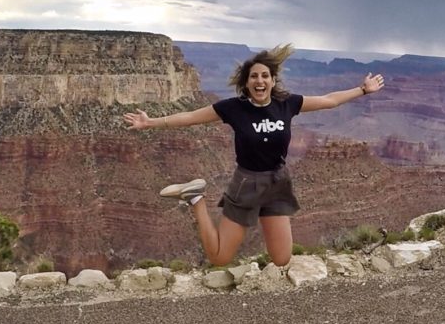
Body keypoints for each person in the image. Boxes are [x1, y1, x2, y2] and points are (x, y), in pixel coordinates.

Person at [123, 44, 385, 267]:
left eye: (264, 76)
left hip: (277, 183)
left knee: (282, 259)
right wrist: (152, 122)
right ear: (246, 83)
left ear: (272, 80)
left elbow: (329, 100)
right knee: (219, 257)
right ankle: (196, 199)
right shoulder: (234, 108)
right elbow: (190, 117)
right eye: (254, 77)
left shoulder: (288, 104)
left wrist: (362, 90)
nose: (259, 81)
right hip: (247, 184)